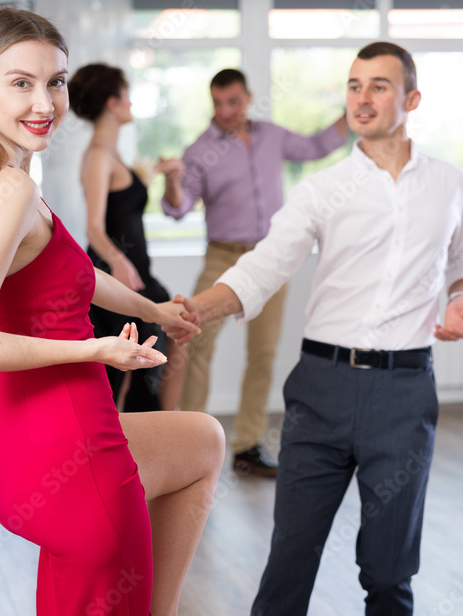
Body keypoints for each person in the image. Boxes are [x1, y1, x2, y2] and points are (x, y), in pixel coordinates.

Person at [0, 8, 224, 615]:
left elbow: (76, 276)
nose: (44, 103)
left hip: (22, 440)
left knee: (203, 441)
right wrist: (95, 349)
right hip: (63, 445)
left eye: (55, 82)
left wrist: (155, 310)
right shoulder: (11, 190)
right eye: (21, 83)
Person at [180, 42, 463, 616]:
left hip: (404, 393)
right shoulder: (321, 190)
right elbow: (262, 267)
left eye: (378, 86)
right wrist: (193, 310)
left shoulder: (453, 184)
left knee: (390, 572)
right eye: (353, 85)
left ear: (411, 99)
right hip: (320, 389)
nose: (361, 98)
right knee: (290, 561)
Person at [163, 68, 348, 476]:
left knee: (262, 354)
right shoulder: (200, 150)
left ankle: (247, 446)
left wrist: (351, 111)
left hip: (270, 258)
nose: (226, 111)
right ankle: (190, 446)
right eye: (218, 103)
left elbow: (317, 146)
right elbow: (178, 207)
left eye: (233, 102)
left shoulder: (272, 136)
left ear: (247, 98)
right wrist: (174, 181)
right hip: (222, 256)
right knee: (197, 346)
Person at [68, 63, 187, 412]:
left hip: (135, 272)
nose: (131, 102)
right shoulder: (98, 156)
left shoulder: (111, 154)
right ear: (112, 102)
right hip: (117, 273)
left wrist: (161, 175)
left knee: (168, 340)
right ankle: (146, 431)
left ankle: (164, 425)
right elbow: (93, 226)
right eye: (126, 95)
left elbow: (124, 206)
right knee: (130, 364)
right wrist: (119, 262)